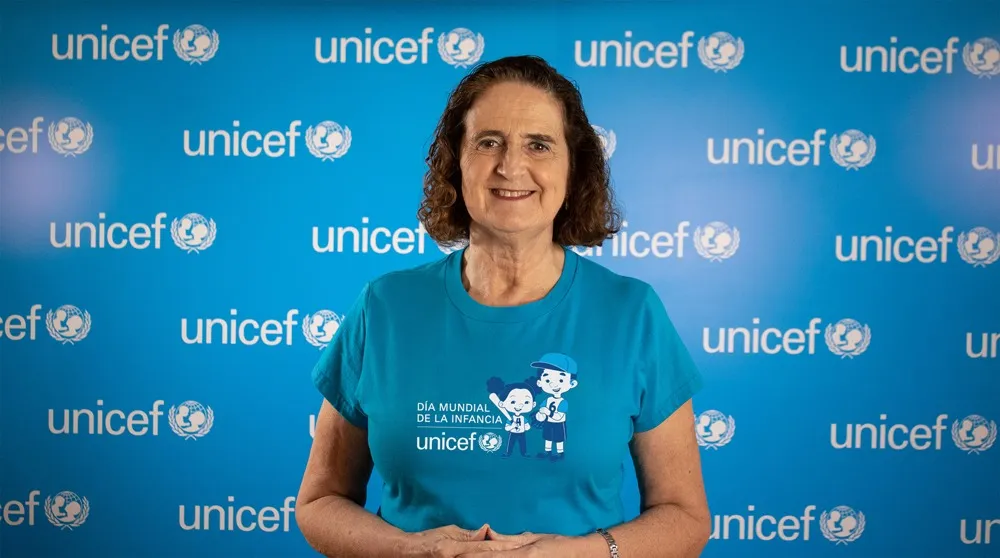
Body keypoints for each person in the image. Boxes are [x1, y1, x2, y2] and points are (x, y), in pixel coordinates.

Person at [295, 55, 711, 558]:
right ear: (457, 161)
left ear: (572, 168)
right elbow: (320, 501)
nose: (511, 166)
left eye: (539, 145)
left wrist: (577, 554)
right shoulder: (383, 307)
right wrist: (408, 550)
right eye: (488, 142)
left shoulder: (632, 313)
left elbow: (684, 518)